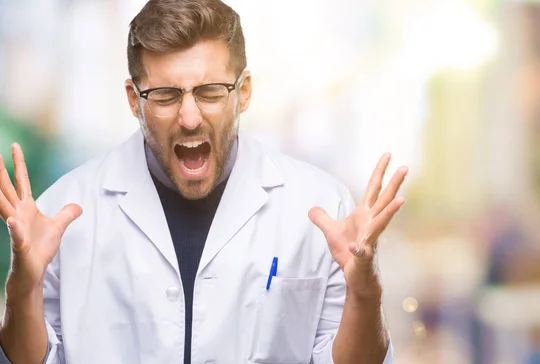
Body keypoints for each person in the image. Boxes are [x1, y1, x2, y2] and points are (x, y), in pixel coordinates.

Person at [0, 1, 408, 363]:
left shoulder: (320, 206)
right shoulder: (63, 212)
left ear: (243, 92)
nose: (190, 117)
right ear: (133, 99)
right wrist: (23, 288)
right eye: (164, 95)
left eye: (211, 91)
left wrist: (365, 293)